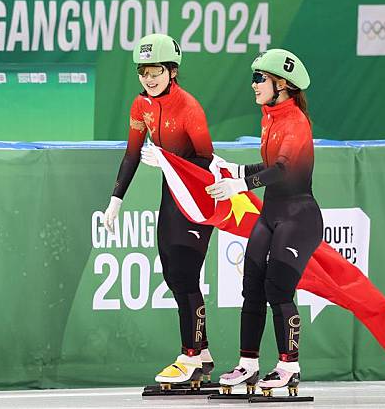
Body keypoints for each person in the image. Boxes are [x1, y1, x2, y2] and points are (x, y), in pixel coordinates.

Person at [206, 49, 323, 395]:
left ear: (282, 84)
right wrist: (235, 170)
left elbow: (284, 169)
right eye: (254, 77)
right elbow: (268, 166)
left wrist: (239, 185)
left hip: (298, 217)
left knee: (278, 288)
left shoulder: (296, 122)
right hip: (271, 214)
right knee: (252, 287)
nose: (254, 84)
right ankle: (249, 364)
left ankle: (289, 366)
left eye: (260, 78)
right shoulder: (269, 117)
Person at [102, 33, 215, 387]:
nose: (149, 80)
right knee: (171, 272)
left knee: (185, 274)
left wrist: (167, 161)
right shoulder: (141, 106)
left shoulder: (189, 107)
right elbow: (132, 153)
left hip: (197, 195)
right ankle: (204, 354)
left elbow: (205, 158)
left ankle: (191, 356)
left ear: (172, 71)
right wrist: (116, 199)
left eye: (156, 72)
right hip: (171, 192)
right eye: (143, 72)